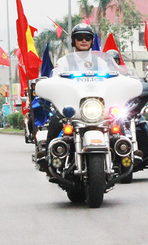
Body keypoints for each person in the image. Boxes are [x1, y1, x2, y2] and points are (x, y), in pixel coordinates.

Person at [43, 23, 110, 153]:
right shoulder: (64, 62)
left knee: (119, 122)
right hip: (71, 108)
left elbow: (111, 80)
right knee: (55, 122)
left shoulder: (100, 62)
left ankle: (125, 153)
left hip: (98, 107)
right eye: (80, 38)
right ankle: (48, 155)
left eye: (87, 38)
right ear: (74, 40)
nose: (84, 41)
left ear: (92, 41)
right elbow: (55, 80)